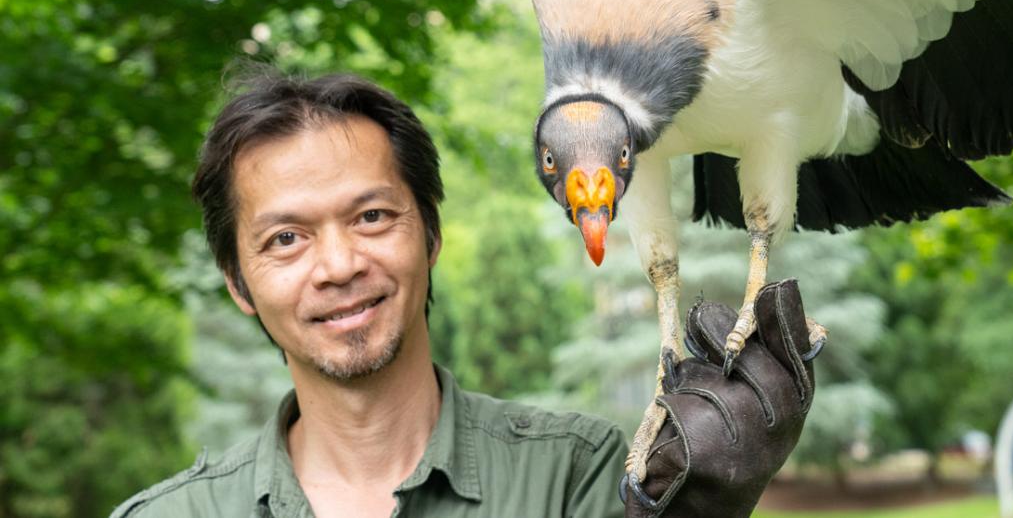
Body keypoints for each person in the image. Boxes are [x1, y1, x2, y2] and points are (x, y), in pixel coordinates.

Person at [111, 70, 820, 517]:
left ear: (431, 234)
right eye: (286, 239)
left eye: (371, 217)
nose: (338, 264)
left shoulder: (587, 477)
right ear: (238, 282)